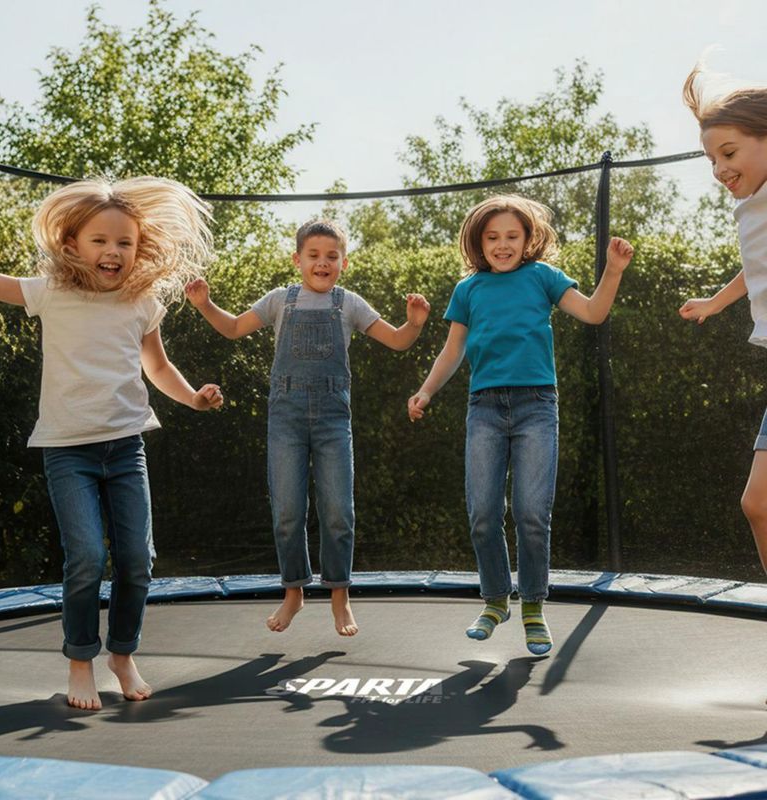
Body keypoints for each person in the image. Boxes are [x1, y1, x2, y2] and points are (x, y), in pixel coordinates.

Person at [0, 176, 223, 711]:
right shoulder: (50, 291)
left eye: (124, 242)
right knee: (85, 556)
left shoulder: (141, 301)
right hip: (68, 450)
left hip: (126, 448)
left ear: (139, 248)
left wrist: (192, 399)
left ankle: (122, 654)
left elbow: (158, 366)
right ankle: (80, 661)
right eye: (100, 240)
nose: (113, 251)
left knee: (138, 559)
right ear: (72, 245)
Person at [408, 194, 633, 654]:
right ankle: (496, 600)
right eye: (493, 237)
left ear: (529, 239)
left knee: (532, 513)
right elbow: (453, 350)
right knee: (483, 513)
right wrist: (427, 390)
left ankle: (533, 605)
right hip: (485, 408)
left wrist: (612, 271)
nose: (503, 245)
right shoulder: (468, 289)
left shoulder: (542, 277)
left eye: (512, 236)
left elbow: (593, 312)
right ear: (478, 242)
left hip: (536, 405)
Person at [186, 219, 430, 636]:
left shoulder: (348, 304)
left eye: (332, 256)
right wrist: (205, 304)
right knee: (287, 511)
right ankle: (294, 592)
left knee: (338, 511)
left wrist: (415, 324)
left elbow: (396, 340)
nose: (322, 263)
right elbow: (234, 328)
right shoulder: (280, 300)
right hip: (287, 418)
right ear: (297, 260)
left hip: (333, 419)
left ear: (344, 263)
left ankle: (340, 596)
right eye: (313, 256)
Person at [679, 62, 767, 574]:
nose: (719, 169)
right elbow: (757, 267)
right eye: (712, 159)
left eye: (729, 153)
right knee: (758, 505)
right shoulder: (753, 205)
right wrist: (716, 301)